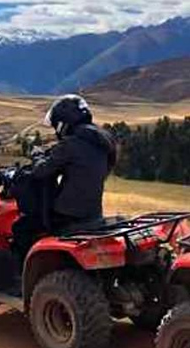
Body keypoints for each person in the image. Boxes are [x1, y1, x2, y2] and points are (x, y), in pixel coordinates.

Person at [11, 94, 116, 260]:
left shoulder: (71, 144)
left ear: (63, 123)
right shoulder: (103, 141)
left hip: (68, 214)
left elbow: (41, 171)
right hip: (94, 212)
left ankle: (22, 277)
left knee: (21, 227)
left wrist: (37, 156)